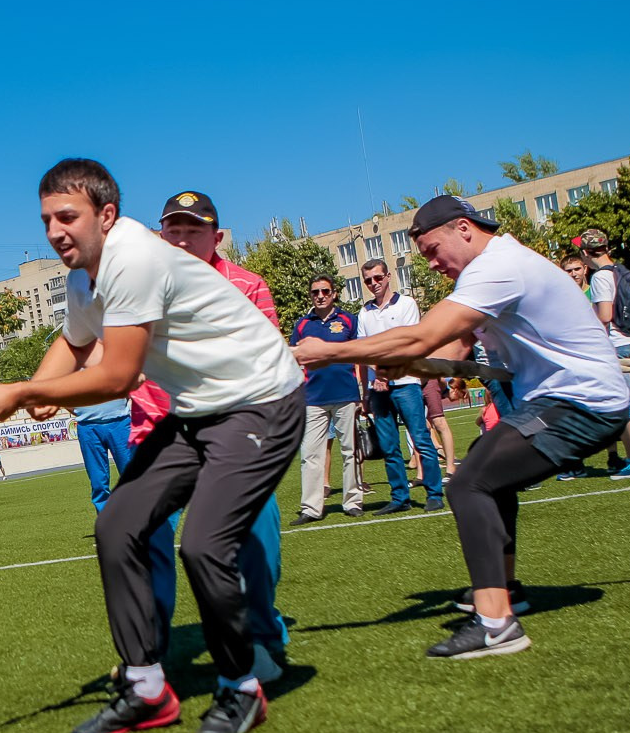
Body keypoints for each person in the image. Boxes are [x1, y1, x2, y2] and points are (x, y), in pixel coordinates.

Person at [0, 162, 306, 733]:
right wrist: (41, 388)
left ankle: (241, 686)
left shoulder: (133, 258)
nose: (54, 231)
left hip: (261, 402)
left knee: (204, 545)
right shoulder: (82, 276)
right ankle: (146, 686)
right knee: (118, 525)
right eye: (47, 220)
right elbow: (75, 341)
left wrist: (25, 392)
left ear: (106, 215)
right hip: (196, 411)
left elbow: (119, 375)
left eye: (67, 217)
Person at [295, 195, 630, 659]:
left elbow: (421, 335)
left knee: (469, 483)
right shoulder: (491, 269)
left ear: (463, 228)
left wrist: (330, 352)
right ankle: (505, 591)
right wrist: (412, 364)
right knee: (487, 473)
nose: (433, 264)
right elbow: (452, 351)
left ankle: (496, 624)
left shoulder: (500, 266)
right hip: (561, 399)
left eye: (434, 251)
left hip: (584, 402)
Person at [133, 191, 291, 676]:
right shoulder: (135, 290)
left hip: (234, 428)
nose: (182, 240)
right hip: (159, 428)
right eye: (174, 230)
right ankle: (148, 653)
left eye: (194, 230)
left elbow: (267, 363)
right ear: (160, 235)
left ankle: (262, 639)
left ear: (216, 237)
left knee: (256, 533)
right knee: (140, 539)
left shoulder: (248, 286)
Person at [357, 257, 445, 513]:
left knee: (421, 439)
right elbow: (362, 351)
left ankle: (434, 493)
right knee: (388, 446)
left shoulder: (407, 304)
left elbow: (407, 345)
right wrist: (367, 391)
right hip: (378, 389)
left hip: (406, 384)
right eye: (368, 280)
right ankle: (399, 497)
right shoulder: (364, 312)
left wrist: (384, 374)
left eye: (378, 278)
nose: (374, 283)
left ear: (388, 277)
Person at [577, 230, 630, 480]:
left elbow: (605, 316)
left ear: (586, 253)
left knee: (626, 404)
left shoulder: (600, 277)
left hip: (615, 345)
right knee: (624, 403)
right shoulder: (620, 271)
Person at [292, 275, 363, 521]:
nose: (320, 296)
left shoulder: (348, 320)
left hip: (346, 395)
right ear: (310, 295)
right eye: (315, 292)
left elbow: (359, 356)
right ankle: (311, 508)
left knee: (350, 451)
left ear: (334, 293)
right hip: (313, 399)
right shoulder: (302, 324)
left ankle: (353, 501)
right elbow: (295, 360)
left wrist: (361, 393)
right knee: (310, 454)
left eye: (324, 291)